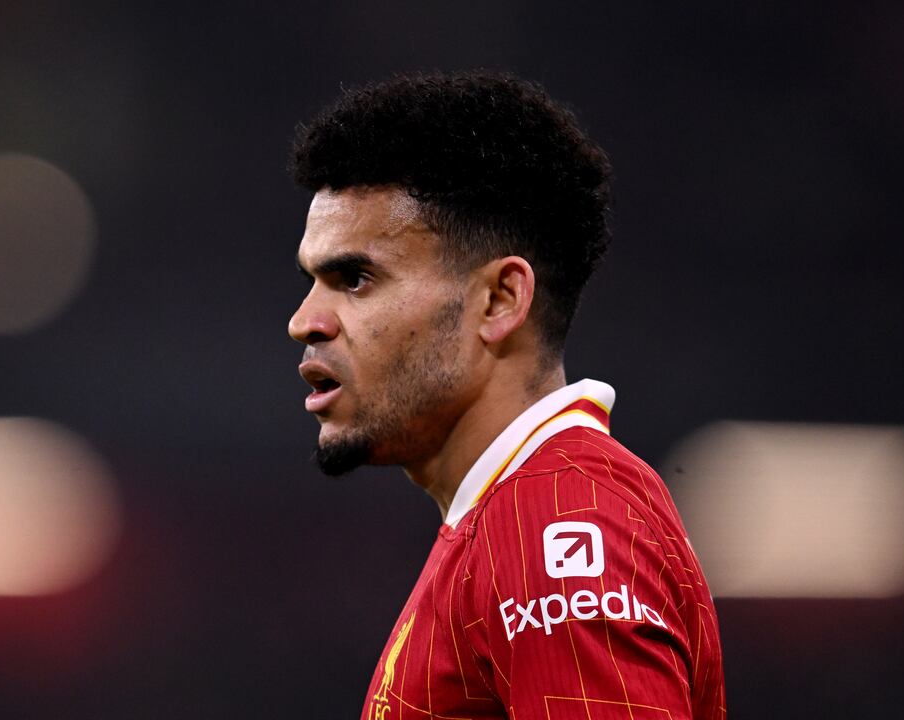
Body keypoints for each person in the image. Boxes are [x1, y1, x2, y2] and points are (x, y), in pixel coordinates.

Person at [287, 71, 725, 720]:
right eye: (312, 279)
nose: (305, 320)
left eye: (354, 278)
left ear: (498, 300)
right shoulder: (511, 517)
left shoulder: (554, 522)